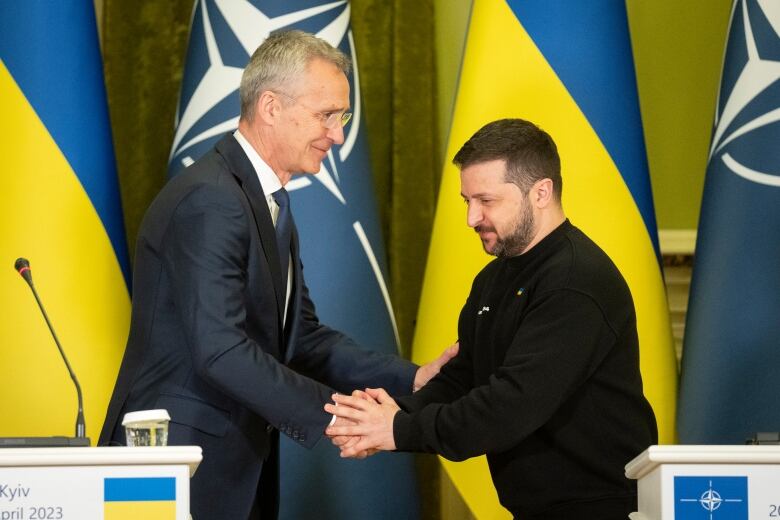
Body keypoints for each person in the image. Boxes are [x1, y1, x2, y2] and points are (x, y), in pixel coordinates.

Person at [99, 30, 455, 520]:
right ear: (269, 106)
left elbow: (301, 339)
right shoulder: (213, 200)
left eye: (343, 116)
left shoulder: (266, 202)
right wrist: (343, 416)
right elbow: (220, 350)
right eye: (326, 115)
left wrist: (412, 378)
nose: (337, 134)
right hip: (177, 463)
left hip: (232, 464)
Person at [326, 119, 658, 519]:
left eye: (486, 201)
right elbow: (464, 377)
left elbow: (511, 406)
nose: (471, 217)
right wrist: (391, 412)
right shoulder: (494, 277)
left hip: (599, 508)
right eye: (467, 200)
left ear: (541, 192)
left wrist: (397, 429)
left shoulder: (576, 281)